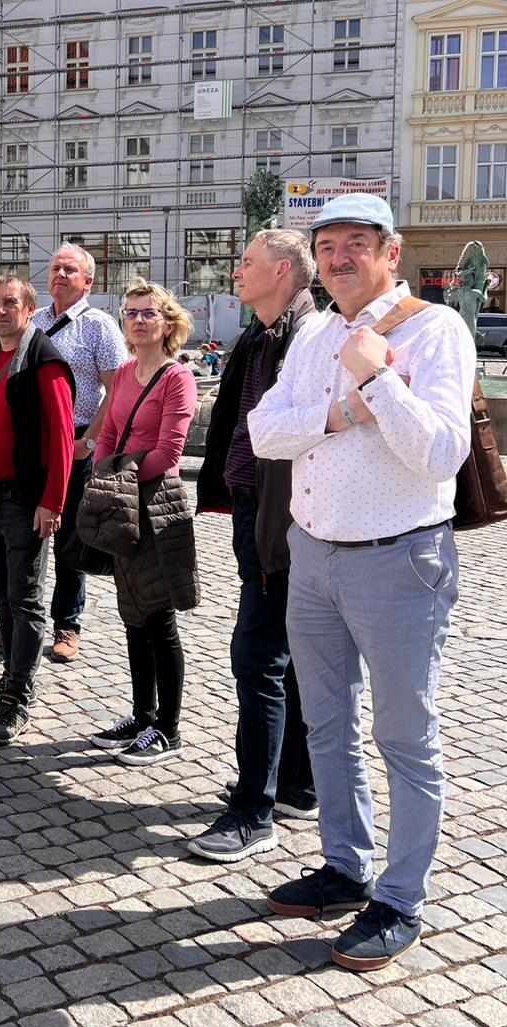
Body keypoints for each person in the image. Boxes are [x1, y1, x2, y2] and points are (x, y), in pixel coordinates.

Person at [250, 195, 475, 971]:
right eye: (329, 245)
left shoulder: (435, 328)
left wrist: (381, 383)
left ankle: (400, 896)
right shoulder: (314, 330)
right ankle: (345, 867)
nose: (340, 257)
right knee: (326, 725)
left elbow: (439, 454)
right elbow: (263, 431)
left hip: (399, 559)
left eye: (356, 243)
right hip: (313, 553)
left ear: (391, 249)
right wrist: (348, 410)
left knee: (405, 735)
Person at [189, 231, 319, 862]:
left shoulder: (305, 337)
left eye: (247, 262)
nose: (236, 271)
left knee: (259, 656)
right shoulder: (260, 334)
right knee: (284, 655)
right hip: (257, 508)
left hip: (283, 516)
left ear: (284, 270)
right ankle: (294, 781)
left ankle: (252, 811)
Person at [0, 243, 125, 664]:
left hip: (77, 443)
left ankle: (67, 623)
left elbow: (117, 389)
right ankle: (11, 621)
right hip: (30, 445)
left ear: (89, 280)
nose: (60, 275)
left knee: (67, 538)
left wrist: (89, 443)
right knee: (21, 534)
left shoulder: (99, 326)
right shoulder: (34, 320)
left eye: (70, 269)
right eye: (55, 268)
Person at [0, 272, 75, 746]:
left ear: (30, 310)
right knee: (3, 596)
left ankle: (18, 698)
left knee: (25, 600)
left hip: (24, 499)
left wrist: (53, 501)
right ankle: (9, 678)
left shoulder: (44, 359)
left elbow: (62, 435)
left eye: (10, 303)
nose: (0, 310)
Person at [91, 281, 199, 766]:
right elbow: (109, 433)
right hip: (123, 499)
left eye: (147, 313)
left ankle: (168, 730)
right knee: (133, 614)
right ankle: (141, 715)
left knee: (160, 619)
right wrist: (105, 475)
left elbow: (169, 451)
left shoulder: (178, 377)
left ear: (167, 323)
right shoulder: (125, 372)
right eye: (130, 313)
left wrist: (121, 479)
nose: (137, 320)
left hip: (155, 504)